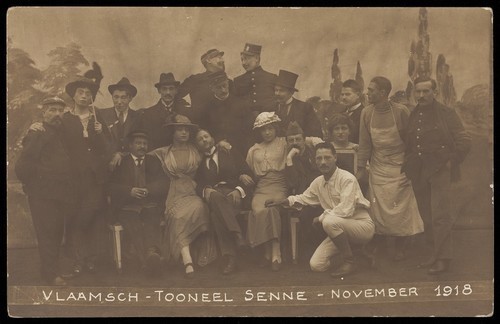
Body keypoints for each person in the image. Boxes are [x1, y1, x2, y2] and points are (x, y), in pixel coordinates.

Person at [267, 142, 375, 277]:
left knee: (328, 222)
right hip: (338, 228)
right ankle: (354, 253)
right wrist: (284, 201)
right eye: (319, 158)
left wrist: (320, 217)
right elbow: (304, 198)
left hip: (361, 226)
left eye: (327, 157)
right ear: (314, 161)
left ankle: (350, 261)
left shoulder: (347, 179)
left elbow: (345, 210)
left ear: (335, 158)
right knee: (317, 265)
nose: (323, 162)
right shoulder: (318, 182)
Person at [402, 77, 471, 274]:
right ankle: (433, 254)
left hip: (439, 170)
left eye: (426, 92)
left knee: (441, 215)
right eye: (418, 92)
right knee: (427, 216)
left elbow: (464, 140)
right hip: (419, 172)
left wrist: (451, 162)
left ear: (435, 93)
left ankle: (443, 259)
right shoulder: (414, 113)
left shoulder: (446, 113)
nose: (421, 96)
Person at [357, 76, 424, 262]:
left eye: (371, 90)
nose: (367, 93)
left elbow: (412, 142)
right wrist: (361, 168)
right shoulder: (366, 113)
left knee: (401, 207)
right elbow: (364, 144)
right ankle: (377, 242)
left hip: (400, 167)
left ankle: (401, 245)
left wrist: (410, 167)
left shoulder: (401, 112)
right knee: (377, 206)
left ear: (383, 93)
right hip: (378, 166)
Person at [246, 112, 321, 271]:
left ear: (275, 129)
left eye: (270, 129)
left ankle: (275, 251)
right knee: (259, 210)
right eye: (263, 130)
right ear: (259, 132)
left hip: (280, 185)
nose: (267, 133)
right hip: (261, 187)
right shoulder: (254, 149)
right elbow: (250, 169)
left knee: (272, 208)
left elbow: (303, 140)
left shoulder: (284, 142)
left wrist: (317, 140)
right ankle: (267, 251)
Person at [15, 97, 77, 286]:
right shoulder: (37, 133)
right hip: (42, 194)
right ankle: (50, 275)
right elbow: (23, 165)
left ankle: (52, 270)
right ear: (44, 112)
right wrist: (33, 185)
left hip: (60, 192)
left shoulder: (61, 132)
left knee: (57, 232)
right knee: (47, 233)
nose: (57, 114)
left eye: (60, 110)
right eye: (52, 110)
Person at [150, 115, 216, 278]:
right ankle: (187, 260)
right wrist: (118, 155)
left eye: (186, 129)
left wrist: (221, 143)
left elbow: (212, 147)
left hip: (192, 192)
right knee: (177, 217)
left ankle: (189, 260)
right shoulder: (163, 152)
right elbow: (138, 153)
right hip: (174, 195)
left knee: (199, 208)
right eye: (180, 129)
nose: (184, 133)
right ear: (173, 132)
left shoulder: (196, 150)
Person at [62, 76, 111, 275]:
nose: (84, 96)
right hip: (73, 178)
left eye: (88, 93)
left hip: (94, 178)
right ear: (73, 96)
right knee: (74, 217)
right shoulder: (65, 119)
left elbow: (108, 151)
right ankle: (77, 260)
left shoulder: (97, 118)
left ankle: (91, 258)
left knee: (90, 216)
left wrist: (99, 133)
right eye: (81, 92)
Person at [194, 129, 255, 274]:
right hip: (215, 196)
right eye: (200, 139)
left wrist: (239, 190)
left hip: (232, 195)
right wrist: (205, 190)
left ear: (213, 138)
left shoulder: (229, 152)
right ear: (197, 145)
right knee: (215, 197)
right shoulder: (199, 163)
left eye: (206, 136)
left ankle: (230, 258)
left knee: (216, 215)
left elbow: (249, 175)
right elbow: (199, 185)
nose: (204, 140)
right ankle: (237, 236)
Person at [109, 130, 169, 276]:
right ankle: (148, 260)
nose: (142, 146)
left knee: (152, 219)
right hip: (127, 206)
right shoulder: (121, 161)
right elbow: (110, 186)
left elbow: (163, 183)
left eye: (144, 143)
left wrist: (149, 190)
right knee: (133, 223)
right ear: (130, 145)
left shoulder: (154, 161)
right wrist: (129, 190)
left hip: (149, 204)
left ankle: (150, 255)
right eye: (138, 143)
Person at [284, 121, 324, 260]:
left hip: (321, 194)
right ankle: (311, 249)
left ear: (304, 139)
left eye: (298, 139)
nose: (295, 143)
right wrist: (289, 159)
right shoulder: (289, 158)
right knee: (305, 213)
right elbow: (293, 182)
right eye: (291, 140)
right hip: (302, 197)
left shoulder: (315, 153)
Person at [198, 70, 255, 158]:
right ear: (212, 88)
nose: (223, 90)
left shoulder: (241, 104)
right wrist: (217, 142)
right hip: (217, 152)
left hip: (241, 151)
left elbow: (250, 130)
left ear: (228, 83)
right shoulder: (207, 109)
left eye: (224, 86)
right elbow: (204, 132)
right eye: (218, 87)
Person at [139, 72, 192, 151]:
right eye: (164, 89)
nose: (168, 92)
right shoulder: (148, 114)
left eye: (171, 89)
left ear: (176, 90)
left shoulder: (186, 111)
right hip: (158, 156)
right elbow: (147, 140)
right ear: (159, 91)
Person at [100, 77, 142, 171]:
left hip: (130, 166)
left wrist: (122, 154)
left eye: (123, 97)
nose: (119, 102)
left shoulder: (138, 117)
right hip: (107, 166)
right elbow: (99, 142)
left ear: (130, 98)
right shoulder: (102, 115)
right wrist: (113, 155)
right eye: (116, 97)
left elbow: (140, 143)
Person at [178, 49, 232, 117]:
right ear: (208, 60)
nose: (223, 60)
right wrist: (190, 112)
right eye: (219, 57)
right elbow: (174, 96)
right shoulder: (195, 80)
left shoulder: (229, 81)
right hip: (202, 126)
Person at [274, 69, 323, 138]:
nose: (277, 93)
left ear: (291, 92)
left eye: (282, 91)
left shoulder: (305, 108)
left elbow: (316, 133)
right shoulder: (270, 108)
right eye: (276, 90)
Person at [233, 43, 277, 117]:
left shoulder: (272, 78)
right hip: (246, 123)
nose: (243, 63)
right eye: (242, 59)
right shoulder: (238, 81)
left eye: (246, 58)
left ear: (256, 58)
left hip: (269, 123)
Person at [339, 79, 365, 144]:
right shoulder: (340, 113)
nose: (343, 97)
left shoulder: (365, 113)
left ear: (358, 95)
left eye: (347, 94)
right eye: (342, 94)